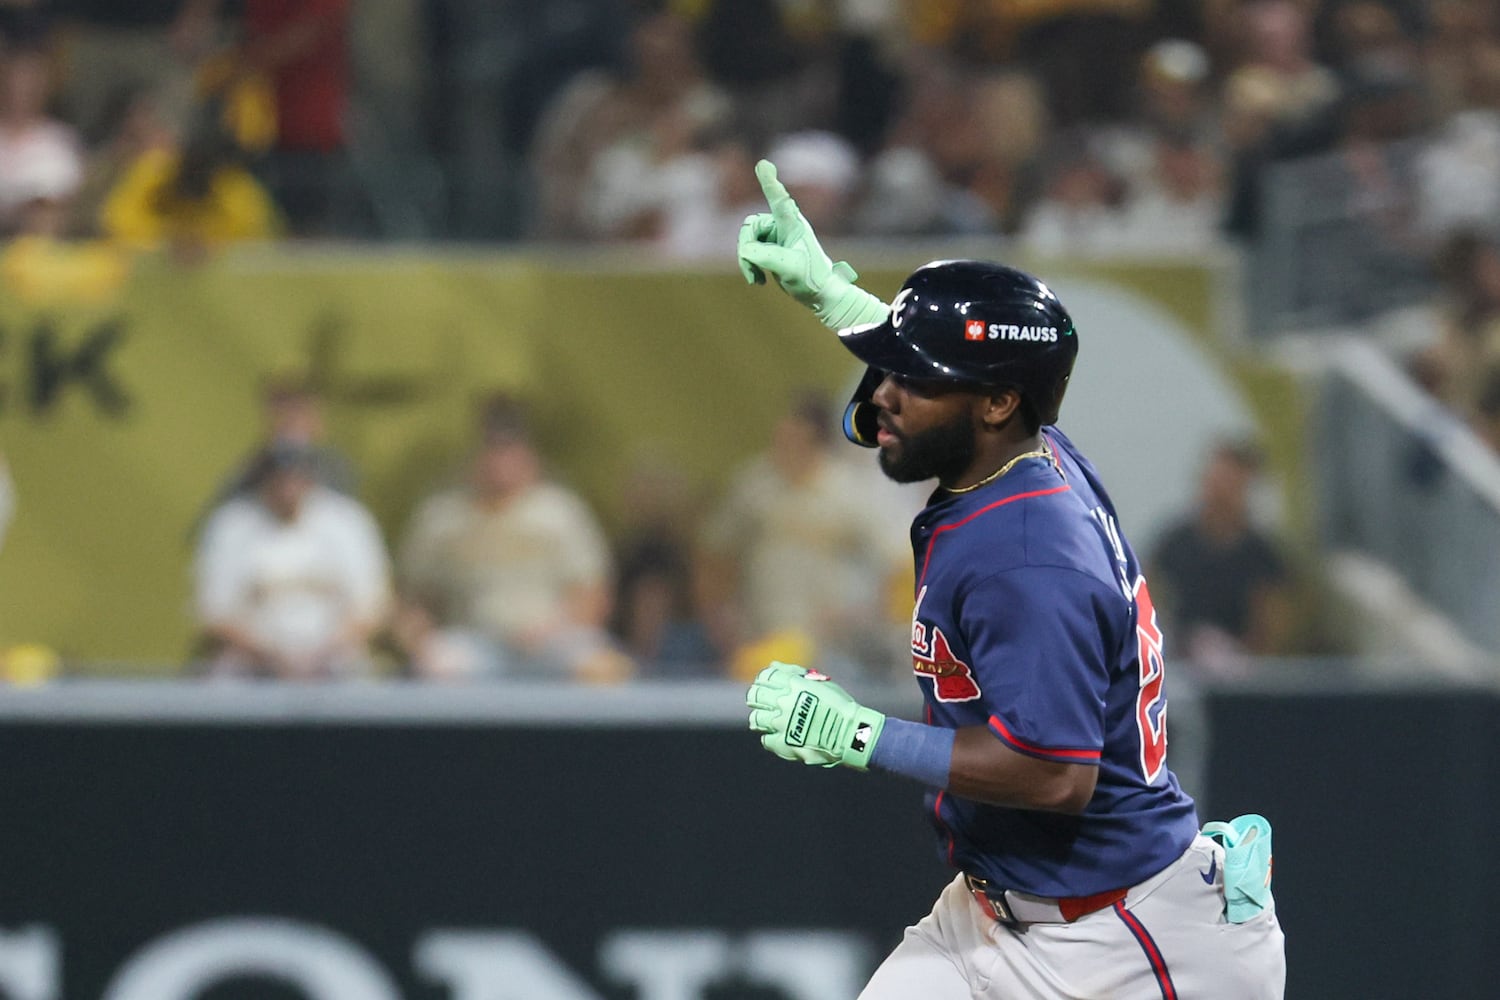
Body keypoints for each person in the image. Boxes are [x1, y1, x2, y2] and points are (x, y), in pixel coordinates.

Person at [736, 160, 1285, 999]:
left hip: (1124, 940)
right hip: (1001, 914)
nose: (883, 392)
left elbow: (1055, 774)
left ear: (994, 404)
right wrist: (834, 298)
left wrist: (853, 735)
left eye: (910, 377)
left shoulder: (1026, 555)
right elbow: (951, 372)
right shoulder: (1022, 450)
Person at [397, 394, 631, 683]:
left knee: (603, 667)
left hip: (553, 638)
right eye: (493, 449)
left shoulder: (560, 512)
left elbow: (594, 593)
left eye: (509, 450)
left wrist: (552, 628)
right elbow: (414, 598)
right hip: (474, 640)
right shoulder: (442, 517)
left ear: (528, 455)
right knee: (436, 667)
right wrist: (419, 644)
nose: (500, 461)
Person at [194, 439, 390, 680]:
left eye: (296, 476)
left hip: (333, 662)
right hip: (252, 664)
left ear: (311, 478)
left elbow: (372, 607)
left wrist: (320, 654)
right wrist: (271, 656)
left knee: (360, 676)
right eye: (280, 478)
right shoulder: (232, 524)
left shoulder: (347, 520)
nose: (288, 487)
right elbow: (215, 613)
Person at [1149, 440, 1296, 673]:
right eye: (1215, 481)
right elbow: (1147, 599)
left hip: (1243, 671)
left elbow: (1273, 625)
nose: (1219, 492)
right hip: (1179, 665)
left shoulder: (1262, 556)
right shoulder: (1174, 544)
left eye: (1230, 483)